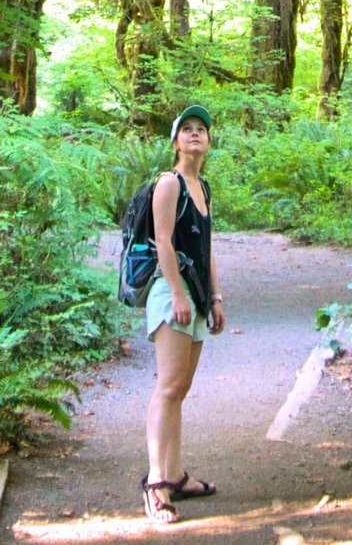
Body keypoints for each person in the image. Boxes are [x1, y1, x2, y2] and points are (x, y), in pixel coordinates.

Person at [142, 102, 224, 525]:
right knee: (168, 387)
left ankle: (176, 474)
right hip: (170, 293)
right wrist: (177, 293)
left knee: (181, 389)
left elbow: (206, 249)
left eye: (201, 130)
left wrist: (215, 298)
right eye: (187, 129)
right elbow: (163, 241)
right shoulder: (169, 183)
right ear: (175, 141)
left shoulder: (203, 187)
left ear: (208, 141)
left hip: (194, 296)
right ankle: (156, 485)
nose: (195, 134)